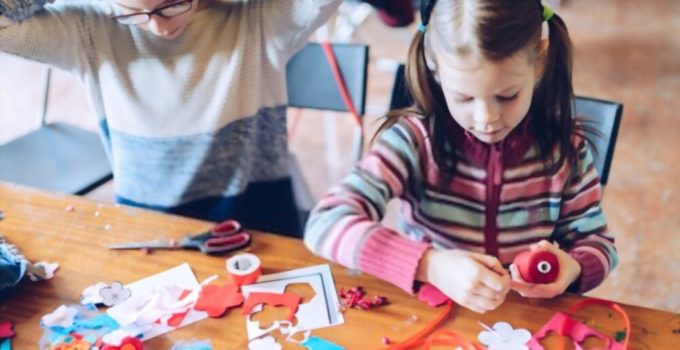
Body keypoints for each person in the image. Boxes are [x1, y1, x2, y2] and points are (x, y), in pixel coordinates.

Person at [304, 0, 617, 313]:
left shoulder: (566, 149)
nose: (486, 118)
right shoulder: (413, 141)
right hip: (434, 316)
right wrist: (431, 266)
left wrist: (573, 268)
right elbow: (324, 224)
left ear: (539, 62)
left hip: (525, 319)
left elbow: (598, 243)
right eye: (464, 97)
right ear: (435, 67)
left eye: (507, 95)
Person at [0, 0, 342, 237]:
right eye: (135, 13)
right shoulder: (89, 28)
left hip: (259, 222)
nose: (159, 27)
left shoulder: (260, 20)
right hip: (150, 227)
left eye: (173, 4)